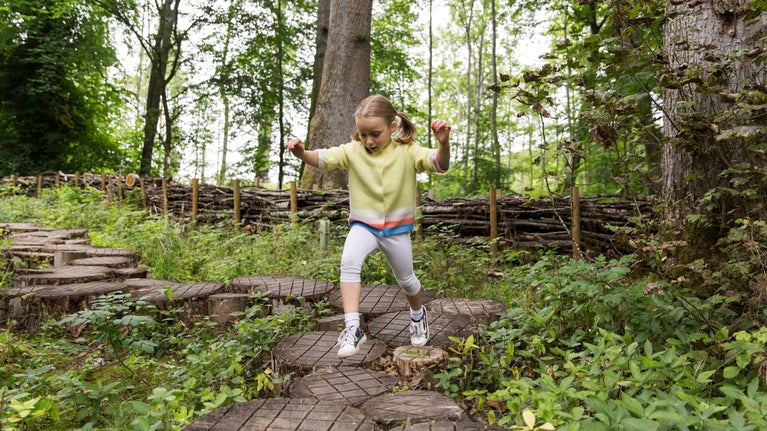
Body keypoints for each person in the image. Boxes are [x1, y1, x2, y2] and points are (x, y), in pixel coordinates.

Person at [286, 94, 452, 357]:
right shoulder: (353, 151)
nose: (368, 141)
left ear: (393, 126)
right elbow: (323, 158)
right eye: (363, 135)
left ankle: (418, 315)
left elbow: (438, 163)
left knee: (407, 281)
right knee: (349, 262)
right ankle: (353, 328)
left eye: (375, 134)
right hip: (364, 226)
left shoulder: (407, 152)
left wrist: (444, 144)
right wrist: (300, 153)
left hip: (396, 231)